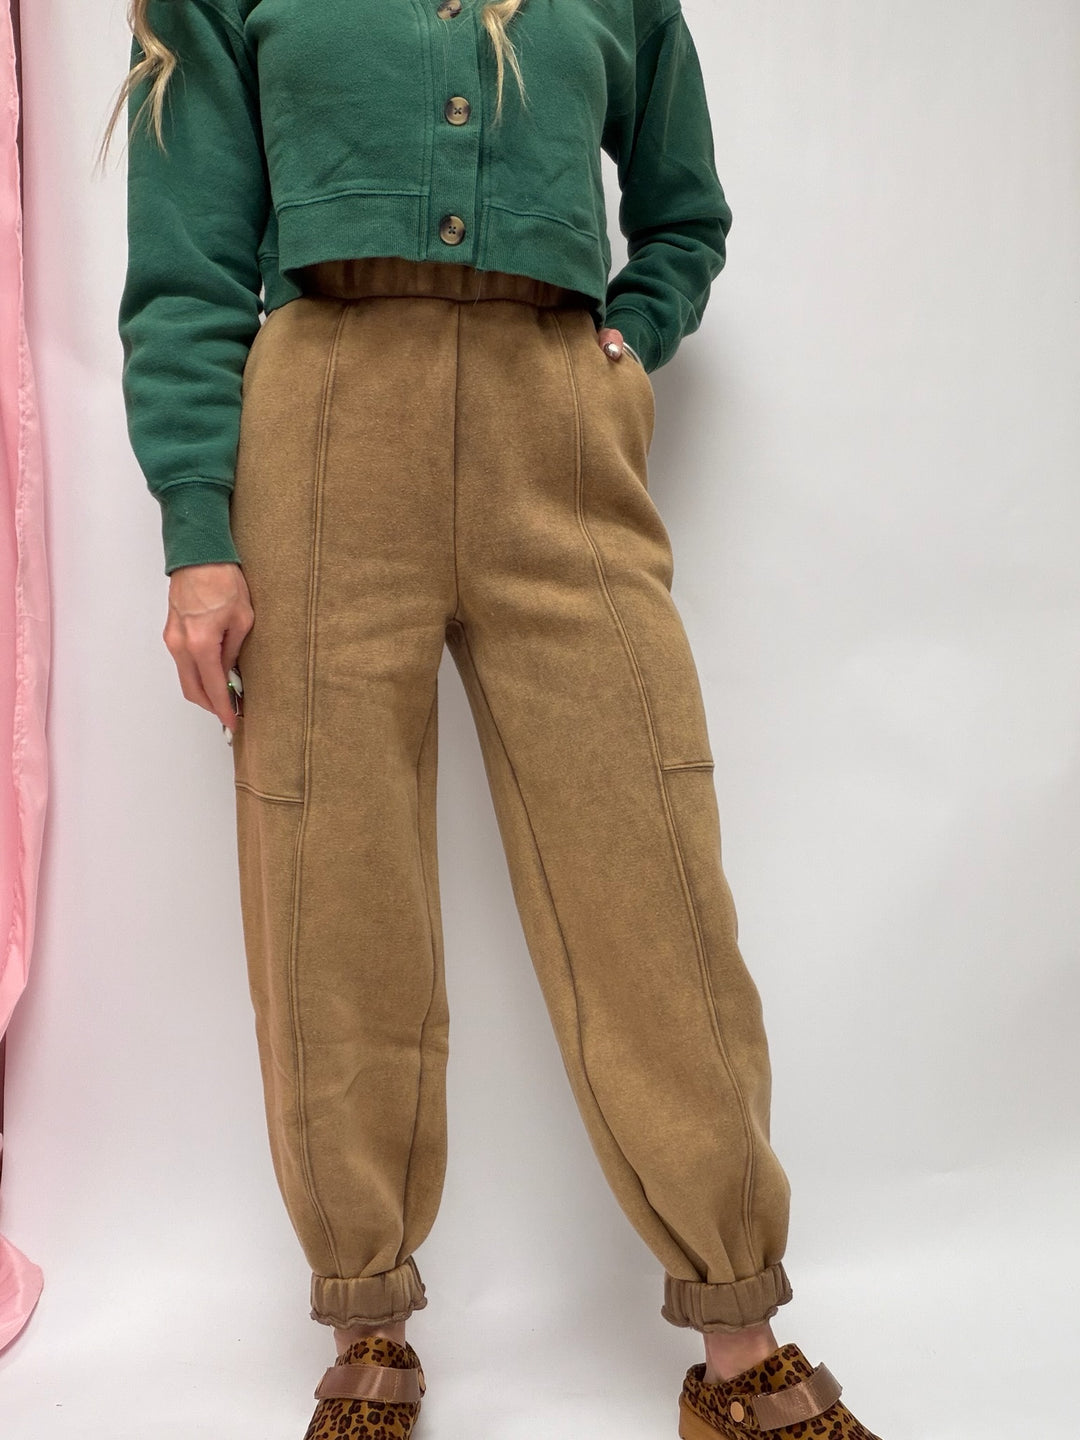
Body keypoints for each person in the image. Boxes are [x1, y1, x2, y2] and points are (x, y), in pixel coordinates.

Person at [101, 2, 884, 1438]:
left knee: (649, 872)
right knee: (330, 888)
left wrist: (625, 347)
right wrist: (198, 530)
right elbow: (187, 259)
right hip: (321, 429)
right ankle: (369, 1328)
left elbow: (685, 213)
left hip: (557, 432)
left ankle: (741, 1341)